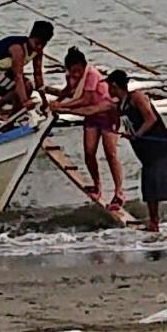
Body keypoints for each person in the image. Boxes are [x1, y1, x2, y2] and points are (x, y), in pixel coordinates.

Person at [105, 69, 167, 233]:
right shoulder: (120, 104)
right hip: (146, 154)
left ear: (114, 86)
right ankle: (154, 223)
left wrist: (137, 135)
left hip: (162, 148)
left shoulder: (136, 97)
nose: (108, 90)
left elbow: (151, 118)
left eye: (109, 86)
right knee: (149, 188)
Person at [50, 47, 126, 210]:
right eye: (73, 71)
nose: (76, 75)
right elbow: (68, 91)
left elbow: (86, 99)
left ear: (84, 66)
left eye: (78, 71)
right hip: (91, 116)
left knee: (110, 153)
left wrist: (62, 107)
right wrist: (57, 101)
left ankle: (119, 192)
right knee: (89, 152)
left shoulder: (91, 75)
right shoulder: (70, 76)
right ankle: (97, 185)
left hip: (107, 114)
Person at [0, 21, 53, 115]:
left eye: (42, 45)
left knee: (28, 86)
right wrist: (25, 102)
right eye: (37, 43)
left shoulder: (38, 51)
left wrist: (44, 102)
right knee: (24, 87)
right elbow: (18, 76)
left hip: (6, 71)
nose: (39, 47)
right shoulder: (18, 49)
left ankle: (15, 112)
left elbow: (38, 74)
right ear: (30, 37)